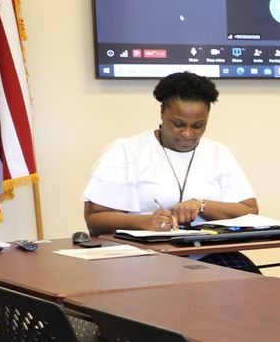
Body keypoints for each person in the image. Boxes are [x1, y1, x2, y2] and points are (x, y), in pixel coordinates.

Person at [82, 71, 259, 235]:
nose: (188, 134)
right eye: (178, 124)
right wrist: (145, 222)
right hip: (146, 256)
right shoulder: (126, 150)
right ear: (162, 113)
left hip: (208, 251)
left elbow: (250, 211)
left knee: (243, 271)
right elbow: (95, 221)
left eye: (198, 126)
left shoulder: (218, 152)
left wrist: (201, 205)